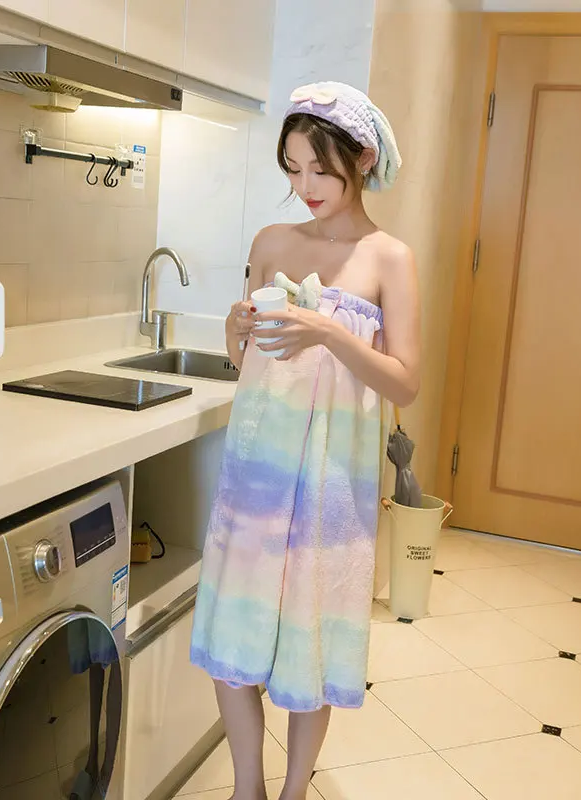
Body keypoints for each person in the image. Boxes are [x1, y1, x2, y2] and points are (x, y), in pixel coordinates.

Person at [190, 81, 421, 800]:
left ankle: (293, 791)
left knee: (309, 644)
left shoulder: (388, 258)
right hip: (257, 475)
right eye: (293, 169)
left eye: (321, 168)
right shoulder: (271, 242)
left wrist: (329, 330)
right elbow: (246, 359)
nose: (306, 186)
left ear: (362, 159)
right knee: (234, 636)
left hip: (332, 482)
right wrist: (234, 331)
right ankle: (248, 789)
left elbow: (406, 383)